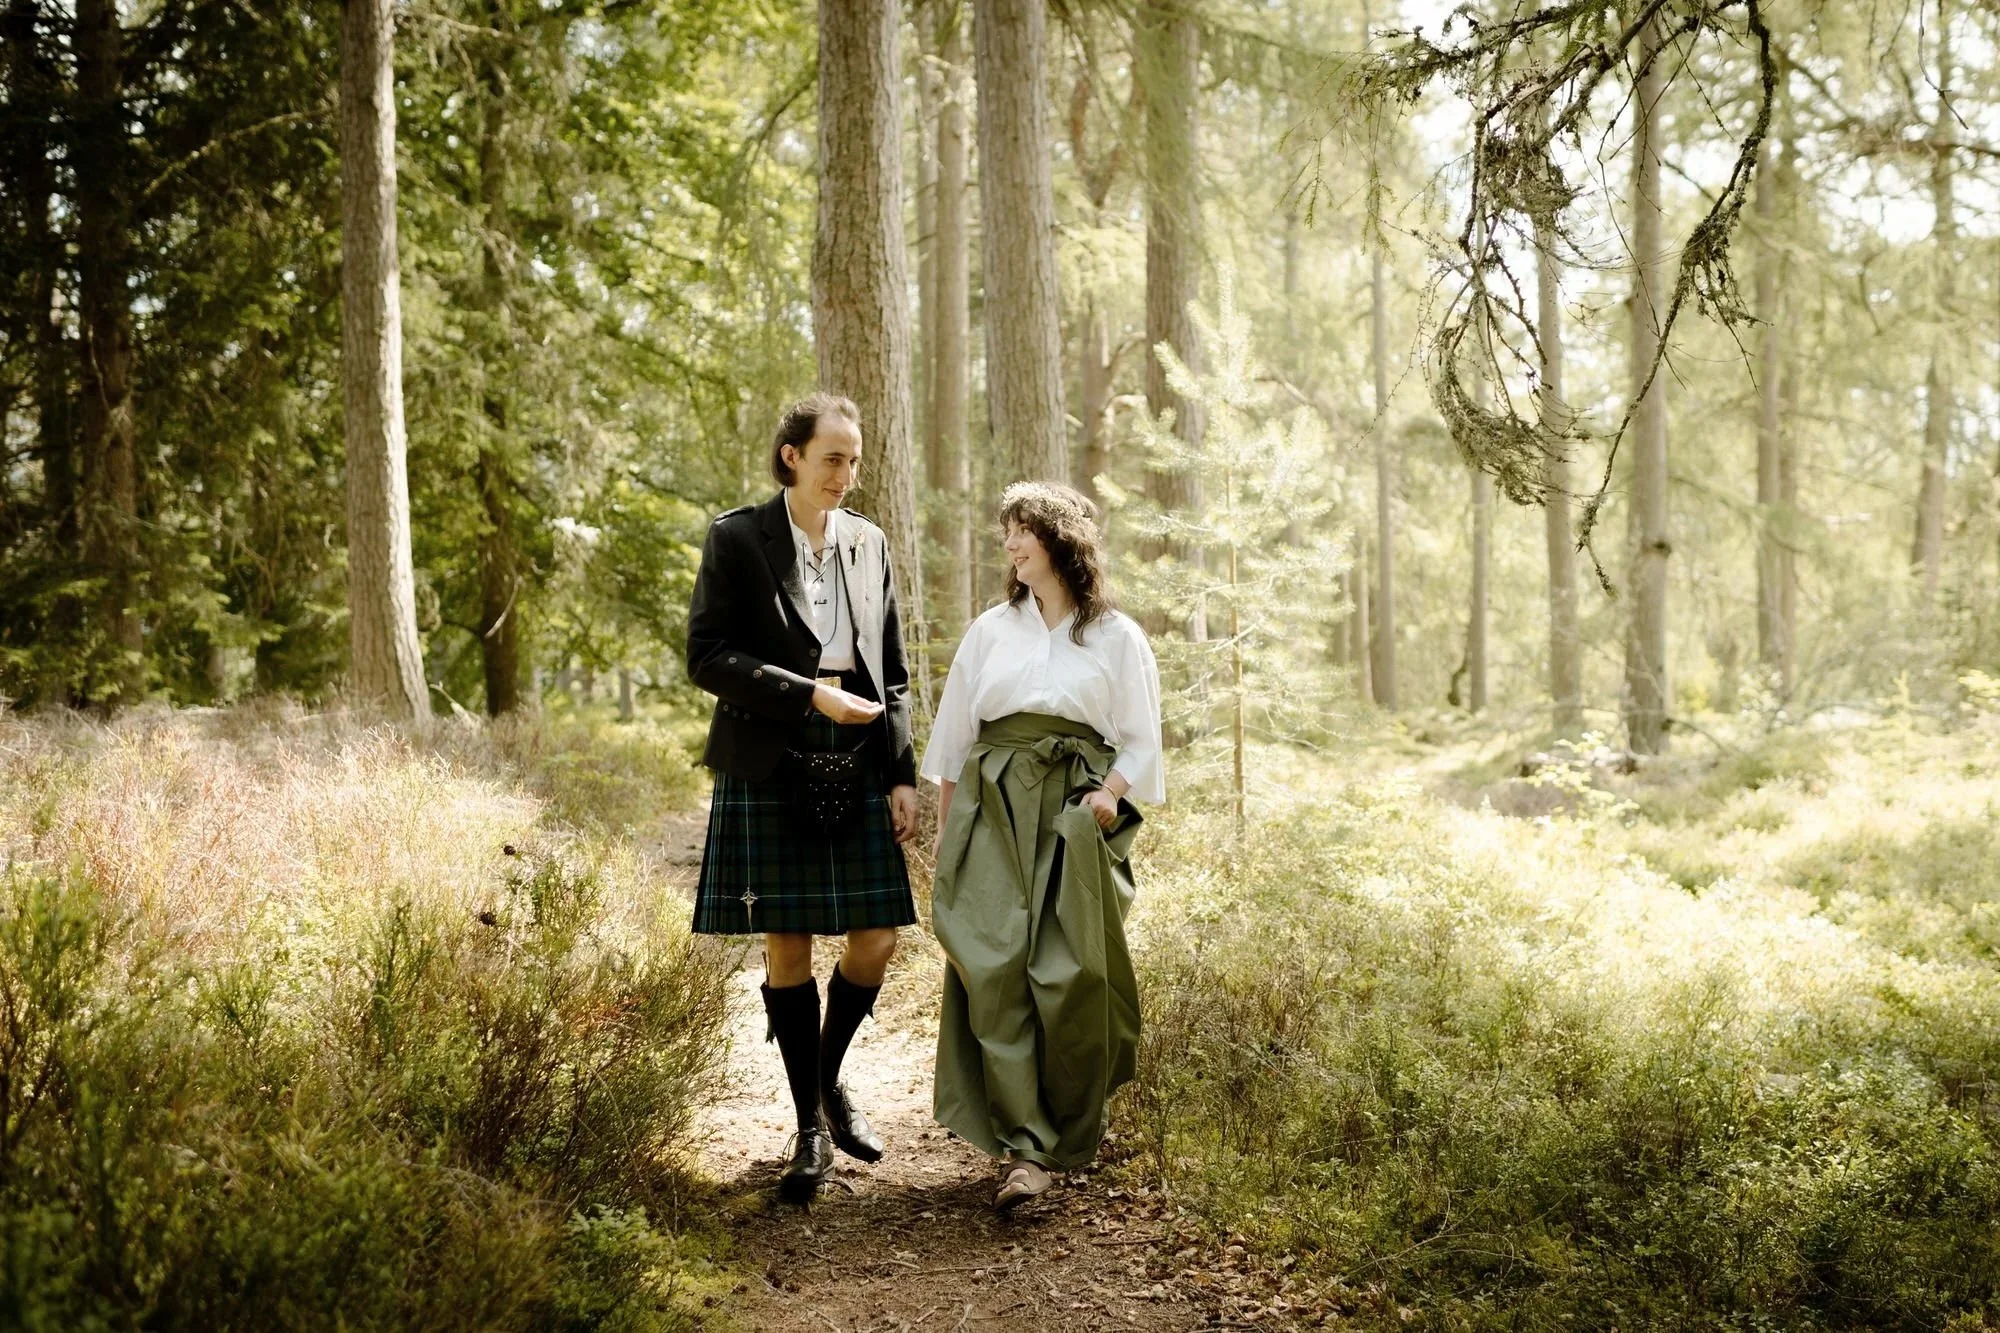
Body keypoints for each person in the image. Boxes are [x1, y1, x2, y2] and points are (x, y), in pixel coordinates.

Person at [686, 392, 921, 1204]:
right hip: (772, 753)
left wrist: (901, 773)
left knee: (878, 936)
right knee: (787, 946)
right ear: (791, 454)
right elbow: (707, 656)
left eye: (855, 460)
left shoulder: (869, 543)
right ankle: (810, 1127)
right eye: (833, 458)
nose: (847, 475)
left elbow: (889, 669)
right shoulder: (737, 537)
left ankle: (822, 1077)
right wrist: (807, 695)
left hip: (857, 750)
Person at [920, 480, 1164, 1210]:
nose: (1010, 544)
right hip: (991, 809)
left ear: (1059, 538)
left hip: (1073, 815)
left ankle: (1068, 1124)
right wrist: (947, 835)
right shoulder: (992, 629)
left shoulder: (1116, 636)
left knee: (1073, 973)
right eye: (1007, 533)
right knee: (994, 969)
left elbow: (1142, 736)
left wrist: (1108, 794)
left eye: (1021, 529)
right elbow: (956, 740)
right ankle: (1025, 1151)